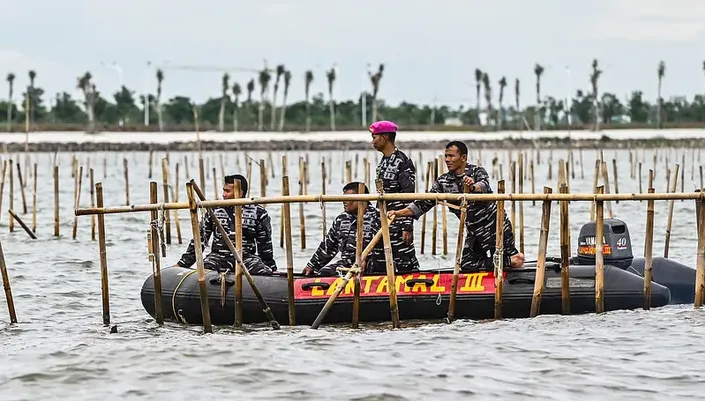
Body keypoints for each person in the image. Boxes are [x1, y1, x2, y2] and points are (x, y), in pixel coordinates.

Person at [388, 140, 525, 272]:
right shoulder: (443, 181)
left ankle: (514, 261)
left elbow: (483, 185)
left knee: (505, 254)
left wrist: (472, 187)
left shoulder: (477, 171)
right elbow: (423, 203)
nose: (447, 159)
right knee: (466, 264)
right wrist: (398, 213)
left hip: (494, 225)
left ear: (463, 157)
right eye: (446, 156)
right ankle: (506, 263)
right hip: (473, 230)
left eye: (452, 156)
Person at [172, 174, 277, 275]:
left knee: (263, 273)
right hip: (217, 258)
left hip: (246, 259)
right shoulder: (214, 210)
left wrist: (271, 269)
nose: (223, 194)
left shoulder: (258, 213)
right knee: (204, 271)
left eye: (227, 191)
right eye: (223, 190)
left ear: (240, 193)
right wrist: (181, 264)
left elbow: (265, 246)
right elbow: (199, 241)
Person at [303, 182, 385, 276]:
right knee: (324, 273)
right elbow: (328, 247)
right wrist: (312, 266)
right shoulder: (341, 219)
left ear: (362, 200)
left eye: (348, 199)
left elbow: (387, 247)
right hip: (347, 264)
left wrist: (365, 260)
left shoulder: (378, 218)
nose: (344, 202)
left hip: (373, 266)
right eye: (343, 199)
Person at [370, 120, 420, 273]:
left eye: (374, 137)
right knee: (380, 262)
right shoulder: (383, 162)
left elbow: (409, 196)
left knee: (405, 263)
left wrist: (407, 226)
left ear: (384, 137)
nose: (372, 142)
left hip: (398, 222)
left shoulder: (402, 162)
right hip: (383, 221)